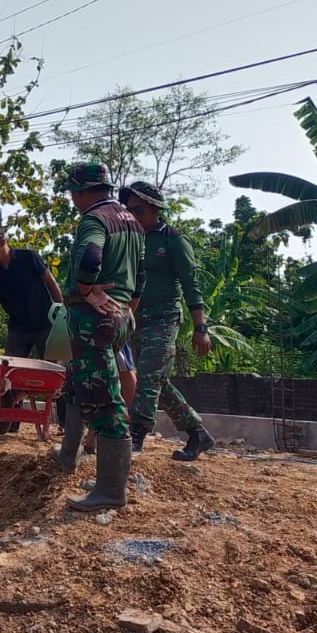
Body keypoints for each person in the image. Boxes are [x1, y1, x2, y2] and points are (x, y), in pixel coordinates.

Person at [55, 163, 146, 512]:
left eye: (73, 193)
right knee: (77, 383)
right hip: (119, 315)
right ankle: (67, 454)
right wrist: (128, 308)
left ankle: (110, 491)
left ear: (80, 192)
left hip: (94, 320)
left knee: (105, 400)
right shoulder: (131, 221)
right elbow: (140, 277)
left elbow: (91, 256)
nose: (73, 200)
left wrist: (87, 290)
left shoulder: (94, 220)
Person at [121, 180, 216, 460]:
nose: (133, 215)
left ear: (154, 209)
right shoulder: (130, 239)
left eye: (138, 210)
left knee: (148, 377)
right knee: (157, 380)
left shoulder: (173, 239)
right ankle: (197, 434)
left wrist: (201, 328)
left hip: (163, 318)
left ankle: (136, 436)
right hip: (135, 319)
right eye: (129, 210)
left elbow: (191, 284)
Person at [0, 226, 62, 359]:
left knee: (52, 366)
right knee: (10, 367)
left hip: (45, 324)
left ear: (2, 243)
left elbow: (51, 282)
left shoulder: (29, 257)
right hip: (17, 329)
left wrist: (62, 314)